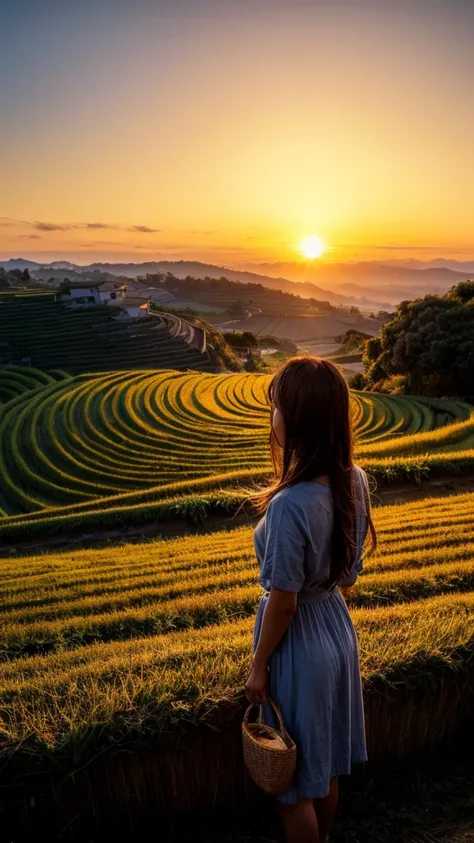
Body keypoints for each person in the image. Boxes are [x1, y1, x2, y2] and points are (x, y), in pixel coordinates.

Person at [245, 356, 376, 843]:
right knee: (323, 765)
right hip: (339, 632)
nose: (271, 417)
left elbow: (283, 602)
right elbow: (347, 578)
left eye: (275, 406)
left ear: (297, 418)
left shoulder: (288, 505)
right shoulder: (354, 479)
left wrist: (259, 666)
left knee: (292, 787)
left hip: (299, 647)